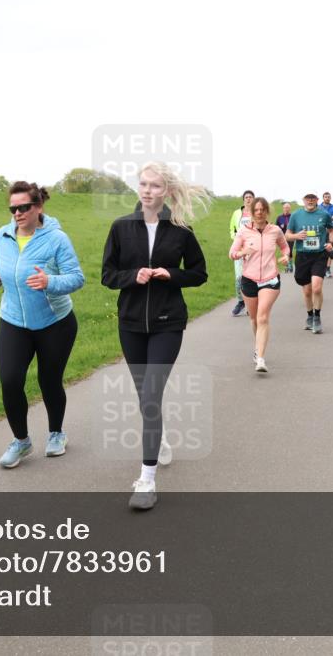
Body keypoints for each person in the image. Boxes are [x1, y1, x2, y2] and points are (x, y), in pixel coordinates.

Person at [102, 162, 208, 510]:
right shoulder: (121, 227)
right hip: (131, 324)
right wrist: (133, 276)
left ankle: (146, 480)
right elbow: (108, 275)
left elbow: (199, 273)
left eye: (155, 185)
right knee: (144, 396)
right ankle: (158, 438)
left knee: (150, 396)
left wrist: (171, 274)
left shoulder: (181, 230)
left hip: (167, 323)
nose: (147, 190)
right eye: (143, 184)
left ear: (167, 191)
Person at [0, 181, 84, 468]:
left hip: (54, 322)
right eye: (13, 209)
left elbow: (77, 277)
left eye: (24, 207)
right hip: (13, 320)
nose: (17, 213)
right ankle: (21, 441)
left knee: (49, 380)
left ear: (39, 206)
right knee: (10, 380)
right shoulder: (4, 234)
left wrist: (49, 281)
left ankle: (56, 433)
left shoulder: (57, 239)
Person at [229, 197, 289, 371]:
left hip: (270, 279)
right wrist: (242, 252)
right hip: (249, 279)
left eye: (262, 209)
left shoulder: (275, 230)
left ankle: (261, 358)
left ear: (267, 211)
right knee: (254, 319)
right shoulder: (243, 231)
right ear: (251, 212)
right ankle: (258, 349)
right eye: (256, 210)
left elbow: (285, 247)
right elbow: (232, 253)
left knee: (263, 317)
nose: (259, 212)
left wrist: (286, 256)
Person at [284, 193, 333, 334]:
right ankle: (310, 315)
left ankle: (317, 317)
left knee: (317, 288)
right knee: (307, 291)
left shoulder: (324, 214)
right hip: (303, 256)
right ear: (304, 200)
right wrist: (296, 236)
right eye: (308, 198)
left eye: (313, 198)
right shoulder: (296, 215)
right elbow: (287, 235)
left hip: (319, 255)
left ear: (317, 200)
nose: (310, 201)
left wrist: (331, 243)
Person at [228, 190, 254, 316]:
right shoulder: (237, 213)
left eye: (250, 197)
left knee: (252, 277)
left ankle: (251, 303)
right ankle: (241, 301)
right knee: (239, 277)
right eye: (246, 197)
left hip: (253, 249)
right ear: (243, 199)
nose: (248, 199)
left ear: (253, 199)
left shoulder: (257, 212)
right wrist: (236, 239)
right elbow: (232, 229)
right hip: (239, 249)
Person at [319, 191, 333, 278]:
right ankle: (320, 268)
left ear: (330, 198)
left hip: (331, 231)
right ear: (323, 198)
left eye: (328, 197)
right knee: (321, 250)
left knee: (329, 249)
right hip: (321, 231)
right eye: (326, 197)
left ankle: (327, 269)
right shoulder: (318, 207)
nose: (327, 198)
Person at [275, 201, 295, 273]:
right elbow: (276, 227)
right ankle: (287, 266)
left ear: (290, 208)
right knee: (284, 251)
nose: (286, 209)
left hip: (291, 236)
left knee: (290, 250)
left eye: (288, 208)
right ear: (283, 208)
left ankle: (290, 264)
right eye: (285, 207)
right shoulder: (279, 218)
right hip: (282, 237)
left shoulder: (293, 217)